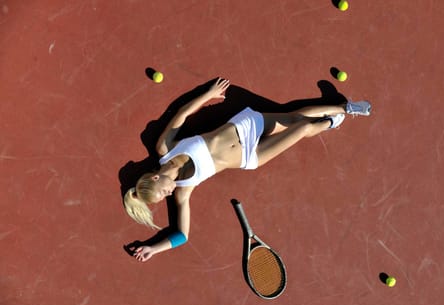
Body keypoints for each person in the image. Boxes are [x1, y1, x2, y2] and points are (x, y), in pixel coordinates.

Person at [124, 78, 371, 262]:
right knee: (303, 128)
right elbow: (182, 234)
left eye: (162, 192)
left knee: (294, 117)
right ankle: (337, 116)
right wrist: (153, 248)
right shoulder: (183, 191)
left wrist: (208, 94)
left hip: (243, 126)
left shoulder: (165, 147)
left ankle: (342, 111)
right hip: (250, 156)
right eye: (164, 197)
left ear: (156, 177)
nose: (168, 195)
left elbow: (183, 114)